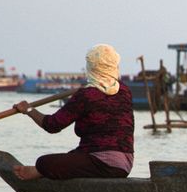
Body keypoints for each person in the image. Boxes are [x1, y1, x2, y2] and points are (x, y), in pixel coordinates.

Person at [11, 43, 134, 181]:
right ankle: (41, 171)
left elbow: (52, 125)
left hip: (102, 162)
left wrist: (28, 109)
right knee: (71, 156)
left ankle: (39, 170)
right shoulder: (124, 90)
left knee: (43, 162)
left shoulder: (86, 95)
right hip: (125, 164)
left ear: (91, 68)